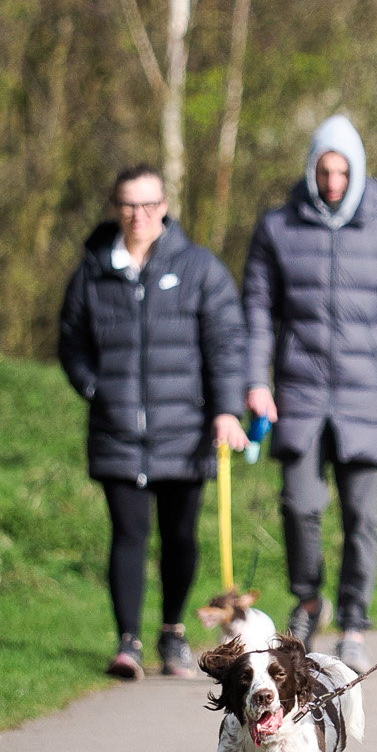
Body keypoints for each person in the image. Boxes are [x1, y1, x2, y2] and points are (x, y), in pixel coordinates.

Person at [242, 115, 377, 674]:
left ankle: (353, 623)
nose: (333, 181)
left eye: (343, 171)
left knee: (360, 518)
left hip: (366, 398)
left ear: (358, 170)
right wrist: (256, 380)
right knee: (299, 506)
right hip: (298, 393)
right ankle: (306, 602)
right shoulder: (277, 228)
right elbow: (256, 311)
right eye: (324, 170)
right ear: (311, 168)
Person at [59, 164, 248, 680]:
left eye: (147, 204)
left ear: (164, 206)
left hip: (184, 433)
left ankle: (171, 634)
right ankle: (128, 644)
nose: (137, 215)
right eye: (127, 205)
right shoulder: (93, 271)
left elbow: (227, 343)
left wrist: (226, 409)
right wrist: (95, 389)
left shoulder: (199, 268)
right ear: (115, 208)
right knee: (128, 534)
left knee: (180, 537)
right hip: (117, 430)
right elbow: (71, 342)